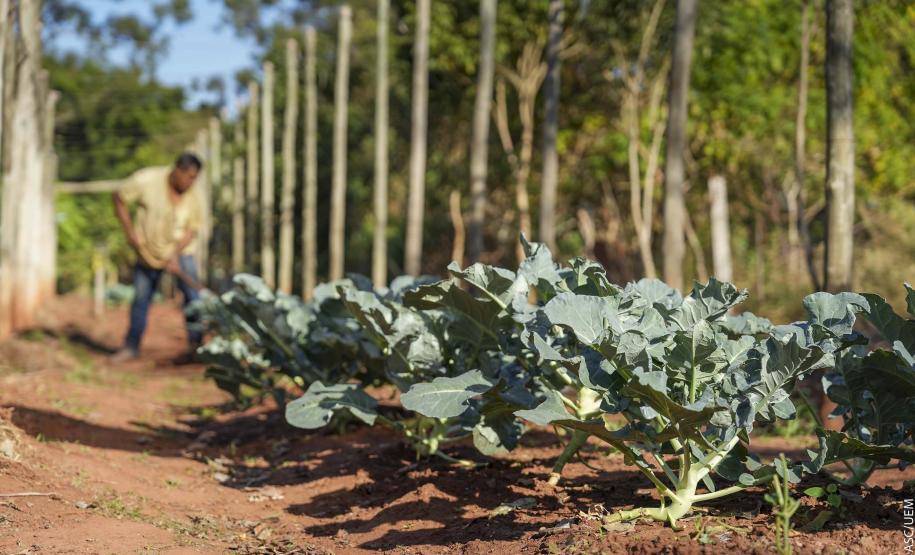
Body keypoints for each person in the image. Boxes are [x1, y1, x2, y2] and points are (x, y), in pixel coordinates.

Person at [110, 153, 205, 362]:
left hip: (182, 253)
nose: (191, 182)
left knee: (193, 300)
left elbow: (192, 229)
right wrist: (129, 232)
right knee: (141, 298)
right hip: (148, 253)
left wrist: (174, 254)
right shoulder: (147, 180)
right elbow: (119, 197)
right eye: (189, 177)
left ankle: (197, 347)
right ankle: (131, 346)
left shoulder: (194, 194)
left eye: (195, 178)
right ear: (177, 170)